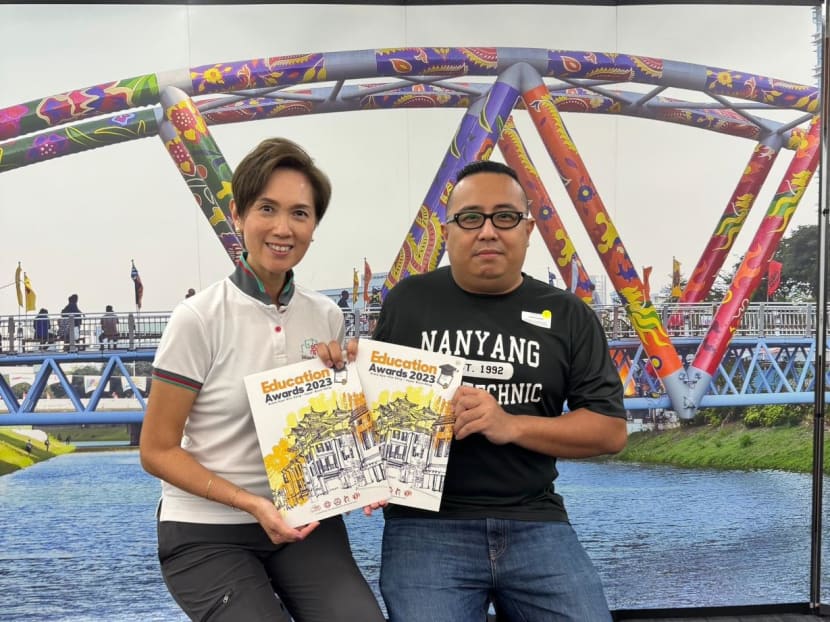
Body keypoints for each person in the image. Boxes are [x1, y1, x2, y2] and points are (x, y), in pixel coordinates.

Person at [370, 160, 627, 622]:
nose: (487, 231)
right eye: (470, 218)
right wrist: (333, 368)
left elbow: (609, 432)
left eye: (504, 217)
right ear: (447, 231)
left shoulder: (569, 314)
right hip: (426, 526)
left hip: (535, 519)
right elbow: (367, 413)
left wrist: (508, 425)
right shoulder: (407, 303)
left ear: (528, 229)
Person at [139, 137, 384, 622]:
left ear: (314, 227)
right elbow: (156, 450)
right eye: (266, 209)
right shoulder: (198, 318)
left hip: (304, 521)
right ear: (238, 214)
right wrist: (251, 504)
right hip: (207, 528)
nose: (282, 228)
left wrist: (364, 470)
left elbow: (329, 433)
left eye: (300, 213)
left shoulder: (327, 316)